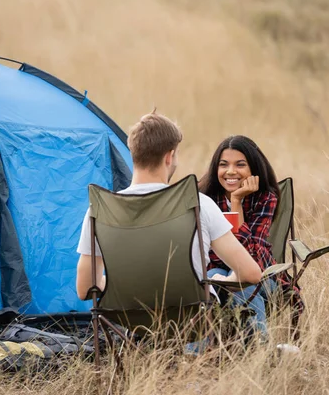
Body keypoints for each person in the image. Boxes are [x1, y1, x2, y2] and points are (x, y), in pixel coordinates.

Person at [76, 113, 261, 304]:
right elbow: (251, 274)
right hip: (191, 320)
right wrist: (223, 279)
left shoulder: (99, 210)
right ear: (169, 156)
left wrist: (118, 285)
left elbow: (84, 289)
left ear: (133, 153)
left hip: (126, 321)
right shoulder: (199, 204)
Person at [199, 135, 303, 340]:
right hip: (217, 273)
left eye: (240, 165)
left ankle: (257, 346)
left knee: (242, 283)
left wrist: (237, 200)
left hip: (263, 277)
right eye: (223, 165)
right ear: (215, 169)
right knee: (219, 279)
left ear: (253, 169)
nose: (230, 171)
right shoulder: (206, 198)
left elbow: (248, 255)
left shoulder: (266, 197)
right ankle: (257, 349)